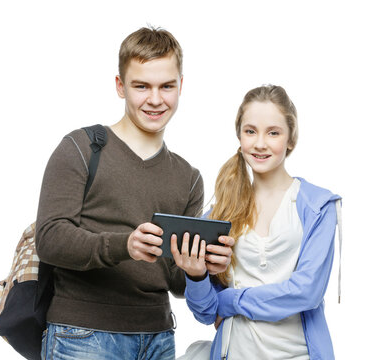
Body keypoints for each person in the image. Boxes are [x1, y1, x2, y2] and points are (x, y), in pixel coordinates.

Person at [35, 26, 234, 360]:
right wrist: (125, 244)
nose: (155, 99)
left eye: (166, 86)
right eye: (141, 86)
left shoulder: (188, 177)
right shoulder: (82, 147)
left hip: (158, 338)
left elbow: (175, 278)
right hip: (83, 337)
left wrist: (201, 268)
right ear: (120, 86)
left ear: (181, 86)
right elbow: (50, 239)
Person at [172, 85, 342, 359]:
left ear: (290, 140)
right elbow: (205, 313)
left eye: (273, 132)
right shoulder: (220, 214)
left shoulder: (319, 206)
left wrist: (231, 301)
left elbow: (306, 292)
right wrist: (196, 275)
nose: (260, 143)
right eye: (250, 131)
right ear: (239, 137)